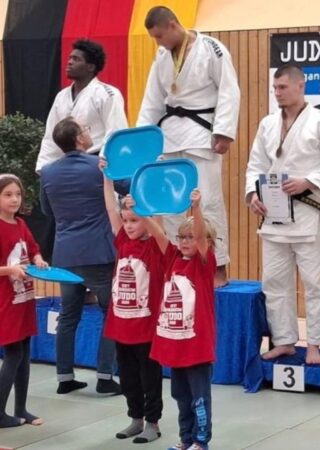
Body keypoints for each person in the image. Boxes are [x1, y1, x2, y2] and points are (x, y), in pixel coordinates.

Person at [136, 5, 240, 288]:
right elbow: (152, 100)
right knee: (170, 205)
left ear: (172, 25)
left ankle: (216, 267)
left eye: (159, 36)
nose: (158, 42)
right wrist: (144, 139)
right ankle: (176, 262)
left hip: (201, 134)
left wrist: (224, 131)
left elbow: (230, 91)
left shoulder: (212, 49)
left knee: (207, 202)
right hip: (169, 136)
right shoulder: (161, 56)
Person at [245, 64, 320, 364]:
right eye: (275, 88)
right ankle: (285, 340)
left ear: (301, 86)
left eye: (283, 87)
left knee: (314, 283)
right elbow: (256, 165)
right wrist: (252, 194)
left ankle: (315, 344)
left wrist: (308, 181)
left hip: (308, 213)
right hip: (274, 214)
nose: (278, 93)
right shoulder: (267, 124)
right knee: (274, 281)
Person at [39, 117, 121, 395]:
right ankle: (105, 376)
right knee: (110, 313)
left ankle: (64, 377)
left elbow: (47, 211)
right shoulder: (98, 167)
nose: (89, 132)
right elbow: (123, 187)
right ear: (78, 139)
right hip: (98, 252)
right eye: (85, 129)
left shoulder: (48, 172)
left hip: (66, 253)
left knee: (69, 315)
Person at [99, 159, 169, 443]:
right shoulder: (122, 242)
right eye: (126, 220)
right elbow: (109, 208)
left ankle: (153, 422)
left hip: (145, 326)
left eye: (134, 220)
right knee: (127, 377)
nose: (128, 226)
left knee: (149, 376)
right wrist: (106, 175)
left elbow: (160, 224)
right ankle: (135, 418)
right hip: (121, 325)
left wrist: (157, 179)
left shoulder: (154, 246)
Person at [149, 189, 217, 450]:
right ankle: (185, 438)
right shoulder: (173, 259)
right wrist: (142, 209)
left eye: (190, 238)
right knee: (180, 395)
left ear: (207, 242)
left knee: (199, 397)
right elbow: (157, 234)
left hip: (197, 346)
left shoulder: (203, 263)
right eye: (182, 237)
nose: (185, 241)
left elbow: (200, 236)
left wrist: (196, 208)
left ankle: (201, 441)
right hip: (175, 343)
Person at [0, 174, 46, 429]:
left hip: (23, 299)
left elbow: (33, 248)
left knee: (24, 353)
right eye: (8, 194)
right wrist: (11, 270)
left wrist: (38, 259)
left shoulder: (20, 224)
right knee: (13, 355)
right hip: (4, 302)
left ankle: (20, 409)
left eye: (17, 194)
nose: (14, 199)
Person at [36, 39, 127, 173]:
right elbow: (51, 135)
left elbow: (116, 131)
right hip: (66, 163)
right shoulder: (61, 96)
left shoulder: (107, 93)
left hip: (97, 161)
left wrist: (102, 163)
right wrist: (44, 167)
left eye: (76, 59)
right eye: (70, 58)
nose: (70, 62)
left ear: (91, 67)